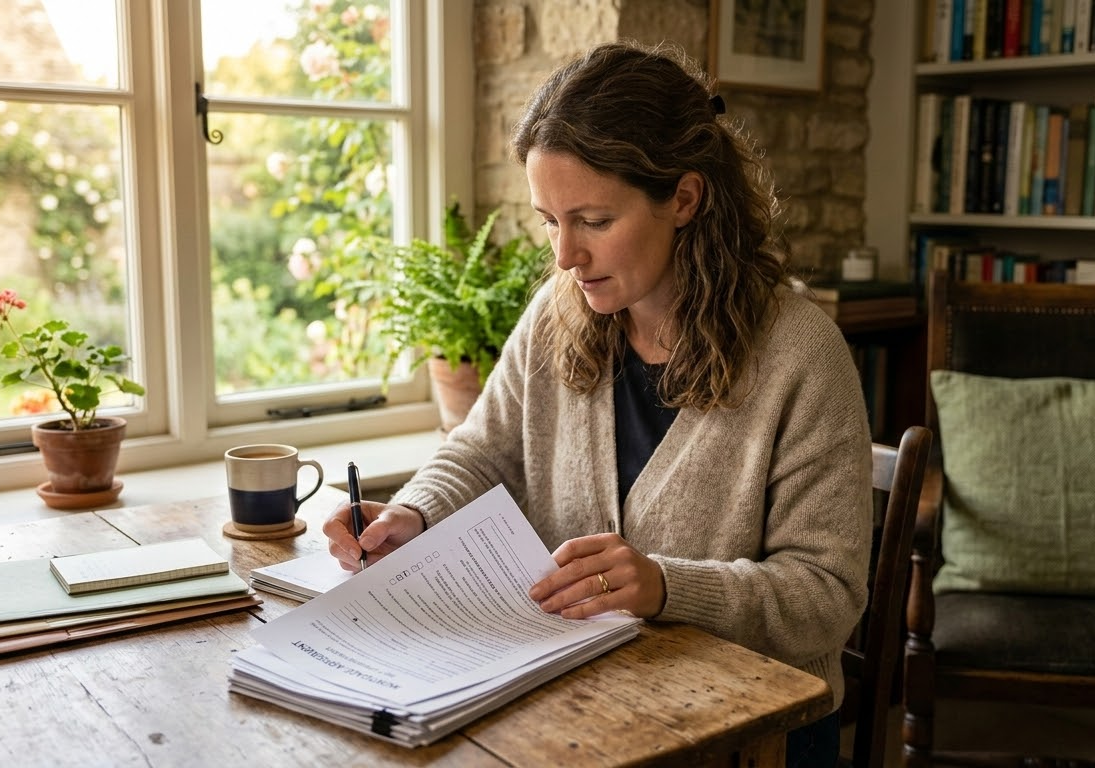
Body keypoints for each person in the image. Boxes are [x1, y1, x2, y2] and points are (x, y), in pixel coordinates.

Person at [324, 40, 872, 767]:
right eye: (550, 221)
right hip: (587, 701)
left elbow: (826, 597)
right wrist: (413, 514)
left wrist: (667, 586)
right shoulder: (559, 312)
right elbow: (482, 449)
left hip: (750, 733)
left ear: (684, 198)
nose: (564, 256)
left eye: (593, 221)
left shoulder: (803, 354)